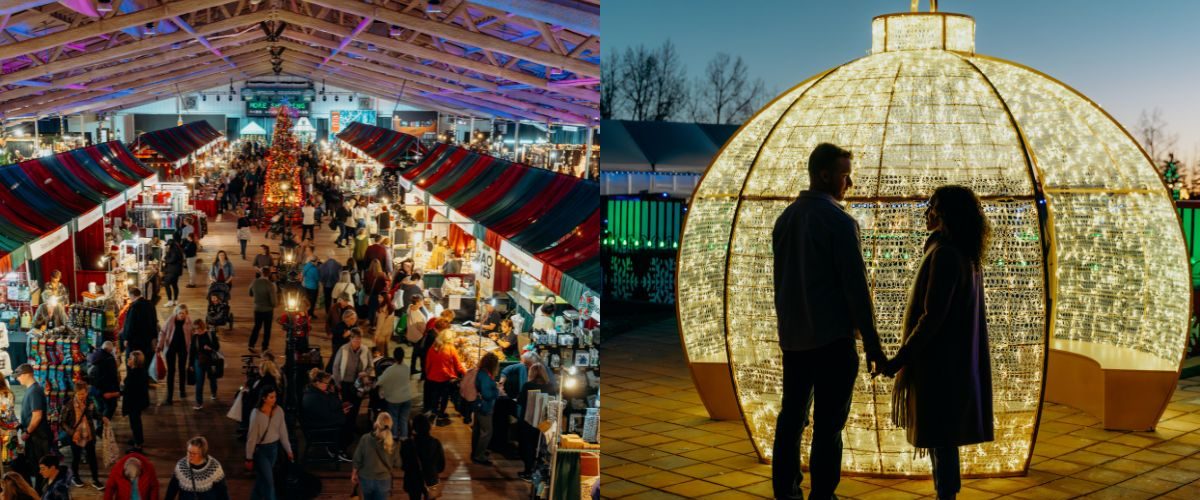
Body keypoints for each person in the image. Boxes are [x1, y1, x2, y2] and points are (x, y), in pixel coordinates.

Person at [770, 143, 887, 500]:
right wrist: (872, 342)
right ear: (824, 175)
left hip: (794, 340)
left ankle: (786, 491)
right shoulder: (840, 222)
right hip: (833, 341)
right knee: (828, 426)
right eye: (844, 174)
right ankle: (823, 495)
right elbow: (856, 288)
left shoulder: (785, 219)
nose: (849, 182)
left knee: (791, 419)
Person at [880, 186, 995, 500]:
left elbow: (932, 317)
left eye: (932, 206)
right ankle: (947, 493)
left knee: (942, 438)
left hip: (940, 365)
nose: (926, 211)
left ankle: (947, 495)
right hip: (954, 363)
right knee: (945, 440)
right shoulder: (964, 253)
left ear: (945, 213)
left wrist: (901, 358)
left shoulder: (945, 254)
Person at [245, 388, 292, 500]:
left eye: (275, 396)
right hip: (261, 451)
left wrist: (288, 450)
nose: (274, 399)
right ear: (264, 398)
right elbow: (251, 438)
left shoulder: (279, 411)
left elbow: (283, 432)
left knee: (263, 479)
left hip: (274, 449)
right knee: (269, 481)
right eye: (271, 397)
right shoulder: (256, 414)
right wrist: (249, 458)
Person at [301, 370, 351, 462]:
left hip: (318, 423)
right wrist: (341, 414)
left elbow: (327, 408)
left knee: (346, 421)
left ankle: (337, 450)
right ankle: (336, 451)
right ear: (317, 383)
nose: (327, 385)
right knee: (346, 425)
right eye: (325, 383)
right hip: (317, 428)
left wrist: (340, 409)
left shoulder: (315, 392)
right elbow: (325, 415)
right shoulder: (314, 396)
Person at [62, 381, 105, 490]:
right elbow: (63, 422)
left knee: (92, 457)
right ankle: (75, 476)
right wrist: (72, 432)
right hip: (75, 436)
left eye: (84, 393)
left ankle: (95, 479)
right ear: (75, 393)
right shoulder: (69, 404)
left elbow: (95, 414)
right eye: (79, 394)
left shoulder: (90, 402)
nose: (82, 396)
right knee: (76, 457)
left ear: (87, 392)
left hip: (89, 434)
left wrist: (102, 418)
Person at [14, 365, 51, 487]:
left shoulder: (34, 391)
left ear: (25, 374)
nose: (17, 379)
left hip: (38, 437)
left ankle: (39, 492)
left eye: (18, 376)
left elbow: (37, 416)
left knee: (40, 467)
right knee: (36, 466)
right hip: (36, 436)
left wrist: (27, 432)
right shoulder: (33, 389)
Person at [517, 363, 555, 481]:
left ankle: (528, 471)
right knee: (539, 446)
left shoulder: (527, 385)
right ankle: (537, 471)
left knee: (527, 445)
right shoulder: (550, 386)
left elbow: (520, 401)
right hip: (544, 422)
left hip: (528, 421)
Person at [352, 413, 403, 500]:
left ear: (376, 423)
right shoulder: (394, 444)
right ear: (390, 425)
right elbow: (398, 464)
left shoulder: (365, 438)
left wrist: (354, 474)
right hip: (384, 480)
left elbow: (357, 459)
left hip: (366, 478)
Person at [424, 321, 465, 426]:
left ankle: (434, 411)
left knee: (435, 395)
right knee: (444, 396)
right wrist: (467, 374)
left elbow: (427, 363)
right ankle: (441, 413)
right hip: (445, 378)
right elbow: (458, 366)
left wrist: (428, 373)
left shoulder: (433, 347)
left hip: (432, 377)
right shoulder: (451, 349)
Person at [166, 437, 230, 500]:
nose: (190, 455)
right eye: (188, 452)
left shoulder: (214, 467)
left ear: (203, 453)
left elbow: (223, 493)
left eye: (194, 453)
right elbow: (172, 489)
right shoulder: (181, 466)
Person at [332, 331, 370, 437]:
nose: (357, 342)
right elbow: (335, 366)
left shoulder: (365, 350)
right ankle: (346, 428)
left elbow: (370, 366)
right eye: (355, 339)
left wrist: (365, 373)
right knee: (347, 406)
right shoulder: (343, 349)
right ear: (351, 339)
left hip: (359, 384)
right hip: (345, 384)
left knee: (356, 405)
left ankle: (353, 426)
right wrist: (337, 382)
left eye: (359, 339)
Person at [400, 414, 445, 500]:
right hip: (430, 479)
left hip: (412, 479)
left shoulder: (407, 443)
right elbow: (441, 466)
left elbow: (403, 465)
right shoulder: (435, 443)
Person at [156, 304, 194, 405]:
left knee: (182, 369)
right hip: (171, 348)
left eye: (184, 313)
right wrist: (160, 345)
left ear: (186, 314)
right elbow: (163, 332)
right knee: (171, 371)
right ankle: (169, 395)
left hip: (183, 348)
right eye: (180, 313)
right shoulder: (170, 320)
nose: (182, 315)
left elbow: (193, 334)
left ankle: (182, 390)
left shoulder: (188, 321)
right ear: (176, 313)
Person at [376, 348, 414, 441]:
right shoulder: (407, 368)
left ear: (394, 357)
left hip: (394, 399)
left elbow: (380, 381)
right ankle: (404, 439)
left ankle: (394, 437)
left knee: (394, 419)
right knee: (404, 419)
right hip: (407, 398)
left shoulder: (390, 370)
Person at [471, 352, 500, 465]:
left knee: (477, 430)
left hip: (478, 405)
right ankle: (479, 456)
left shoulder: (481, 372)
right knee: (487, 432)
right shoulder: (486, 376)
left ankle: (476, 451)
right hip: (485, 407)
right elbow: (487, 394)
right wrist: (497, 391)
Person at [122, 351, 151, 453]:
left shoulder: (134, 374)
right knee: (136, 421)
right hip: (139, 401)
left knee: (135, 423)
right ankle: (138, 439)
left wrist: (118, 392)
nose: (127, 360)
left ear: (134, 361)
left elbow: (128, 389)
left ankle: (138, 446)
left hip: (134, 402)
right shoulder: (140, 371)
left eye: (129, 358)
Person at [121, 287, 158, 361]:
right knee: (146, 359)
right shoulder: (150, 304)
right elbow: (154, 321)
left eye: (130, 297)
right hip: (148, 339)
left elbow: (130, 325)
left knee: (135, 360)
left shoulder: (134, 307)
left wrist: (126, 338)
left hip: (136, 341)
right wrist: (154, 337)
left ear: (132, 295)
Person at [191, 319, 221, 409]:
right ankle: (199, 402)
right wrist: (190, 364)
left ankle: (213, 392)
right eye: (195, 329)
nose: (197, 331)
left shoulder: (210, 334)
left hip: (210, 361)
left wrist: (210, 348)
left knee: (212, 379)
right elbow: (192, 351)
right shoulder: (195, 337)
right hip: (198, 361)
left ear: (202, 327)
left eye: (198, 328)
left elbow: (217, 347)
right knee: (199, 382)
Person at [248, 270, 278, 352]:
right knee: (267, 329)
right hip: (267, 310)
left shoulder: (255, 282)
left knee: (257, 327)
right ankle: (264, 347)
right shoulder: (270, 285)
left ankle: (251, 345)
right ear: (269, 275)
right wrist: (274, 305)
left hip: (257, 309)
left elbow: (250, 293)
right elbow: (273, 302)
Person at [162, 236, 184, 307]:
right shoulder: (178, 249)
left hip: (172, 271)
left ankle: (170, 301)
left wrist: (165, 260)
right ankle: (176, 300)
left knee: (166, 284)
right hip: (176, 271)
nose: (167, 246)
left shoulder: (173, 250)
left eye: (168, 245)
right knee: (174, 285)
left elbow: (172, 260)